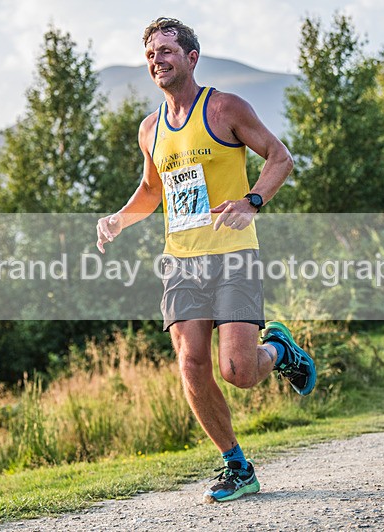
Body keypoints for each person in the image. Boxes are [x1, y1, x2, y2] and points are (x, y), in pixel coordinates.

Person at [96, 17, 316, 503]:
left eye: (168, 51)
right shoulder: (150, 128)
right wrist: (118, 219)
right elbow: (153, 191)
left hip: (234, 255)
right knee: (191, 364)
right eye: (152, 53)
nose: (158, 60)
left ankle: (280, 350)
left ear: (191, 58)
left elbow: (280, 158)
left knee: (238, 370)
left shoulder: (225, 108)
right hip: (181, 262)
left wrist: (252, 201)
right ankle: (236, 465)